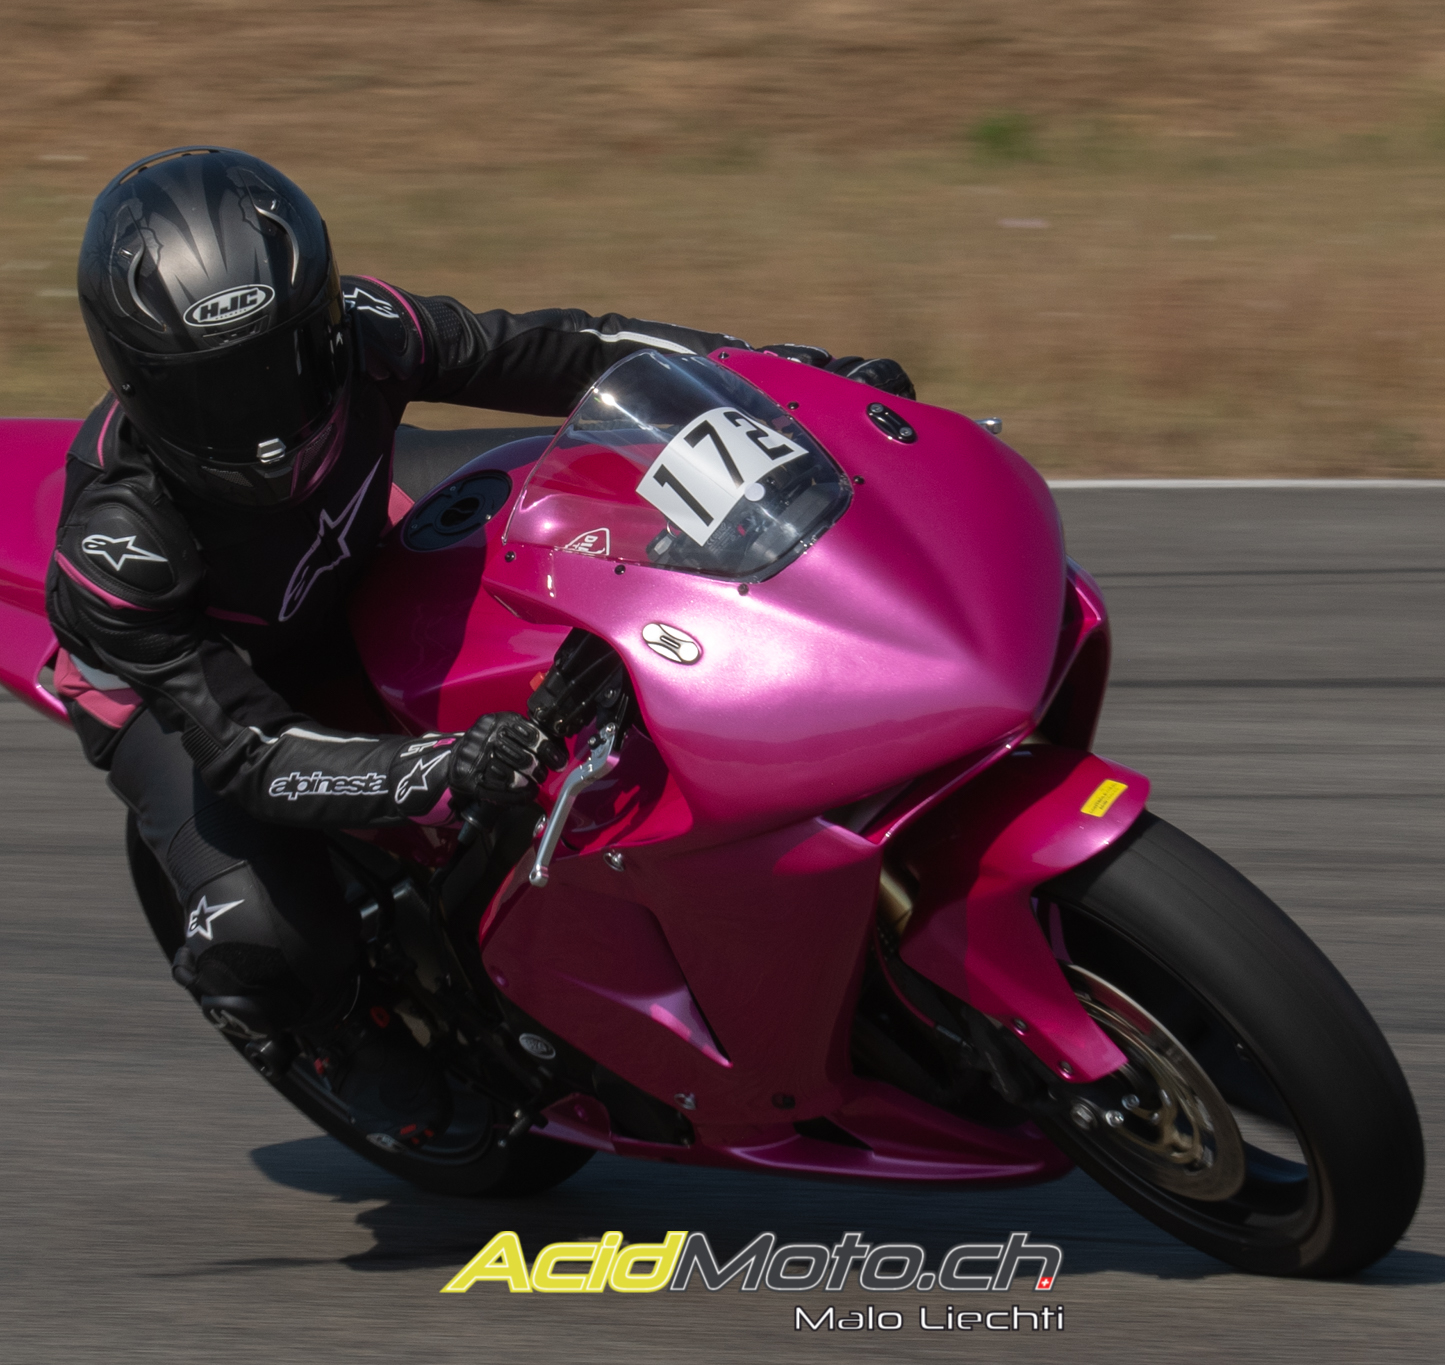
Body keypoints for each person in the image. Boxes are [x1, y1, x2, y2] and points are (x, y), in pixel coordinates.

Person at [45, 146, 914, 1152]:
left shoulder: (369, 330)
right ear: (137, 384)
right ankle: (329, 1038)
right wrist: (440, 767)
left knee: (616, 509)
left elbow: (567, 350)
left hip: (349, 552)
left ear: (324, 324)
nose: (265, 422)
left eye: (283, 365)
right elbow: (251, 752)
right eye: (218, 395)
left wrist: (782, 378)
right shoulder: (119, 545)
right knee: (266, 939)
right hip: (184, 699)